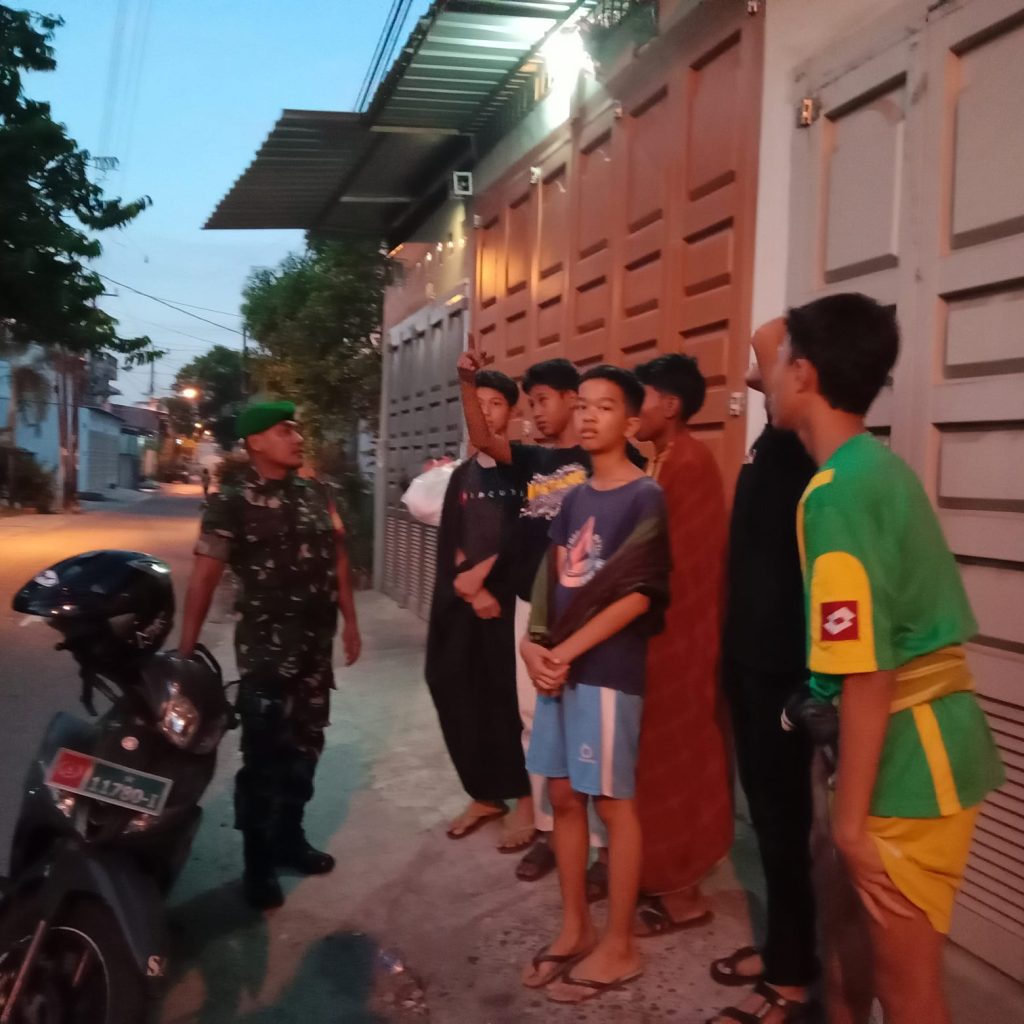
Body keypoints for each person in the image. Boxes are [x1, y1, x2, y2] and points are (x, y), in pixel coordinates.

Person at [768, 293, 1004, 1024]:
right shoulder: (874, 468)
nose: (768, 374)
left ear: (803, 373)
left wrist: (848, 825)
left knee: (908, 993)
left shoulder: (838, 493)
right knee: (846, 962)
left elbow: (867, 667)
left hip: (909, 762)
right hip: (894, 751)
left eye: (779, 360)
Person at [519, 365, 670, 1004]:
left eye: (604, 407)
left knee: (612, 804)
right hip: (560, 667)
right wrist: (533, 644)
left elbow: (639, 595)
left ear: (631, 423)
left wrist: (564, 652)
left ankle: (621, 944)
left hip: (607, 672)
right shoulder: (575, 496)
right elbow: (551, 576)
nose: (587, 416)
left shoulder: (644, 497)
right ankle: (575, 926)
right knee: (562, 796)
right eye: (582, 405)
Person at [178, 401, 362, 910]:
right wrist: (185, 650)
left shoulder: (318, 493)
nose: (297, 439)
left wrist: (350, 622)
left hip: (314, 652)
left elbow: (339, 558)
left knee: (307, 749)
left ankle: (289, 838)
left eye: (297, 431)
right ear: (256, 441)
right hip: (265, 656)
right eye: (285, 431)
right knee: (263, 760)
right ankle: (257, 863)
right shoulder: (230, 504)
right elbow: (204, 577)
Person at [707, 320, 820, 1024]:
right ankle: (783, 949)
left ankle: (793, 978)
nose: (757, 367)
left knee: (782, 824)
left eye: (773, 357)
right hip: (748, 660)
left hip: (784, 669)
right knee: (770, 822)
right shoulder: (772, 436)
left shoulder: (811, 447)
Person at [457, 348, 595, 886]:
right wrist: (466, 381)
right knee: (533, 719)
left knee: (587, 722)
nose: (535, 412)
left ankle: (599, 841)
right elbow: (481, 437)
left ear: (571, 400)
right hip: (528, 607)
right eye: (530, 403)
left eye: (542, 401)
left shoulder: (603, 457)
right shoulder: (534, 459)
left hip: (580, 610)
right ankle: (546, 830)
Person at [631, 353, 732, 935]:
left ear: (670, 406)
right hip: (657, 636)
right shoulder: (662, 458)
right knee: (651, 763)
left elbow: (685, 568)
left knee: (676, 763)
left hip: (678, 640)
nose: (631, 410)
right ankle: (659, 878)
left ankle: (683, 896)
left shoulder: (690, 464)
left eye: (640, 398)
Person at [425, 369, 533, 851]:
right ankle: (485, 794)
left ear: (512, 412)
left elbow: (527, 535)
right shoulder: (462, 476)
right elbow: (452, 532)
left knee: (509, 699)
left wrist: (486, 581)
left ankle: (526, 796)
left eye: (496, 404)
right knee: (453, 687)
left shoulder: (524, 469)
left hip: (507, 604)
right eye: (479, 402)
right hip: (461, 602)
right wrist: (469, 586)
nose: (486, 412)